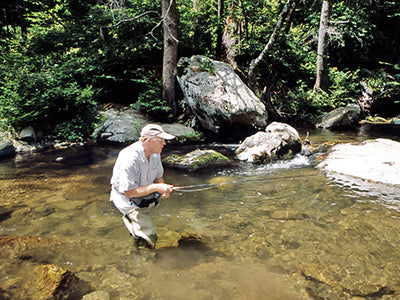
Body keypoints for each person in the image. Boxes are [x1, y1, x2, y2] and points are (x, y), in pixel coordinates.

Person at [110, 124, 175, 249]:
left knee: (139, 233)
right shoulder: (129, 157)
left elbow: (158, 177)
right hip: (126, 199)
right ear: (149, 141)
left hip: (141, 195)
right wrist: (157, 188)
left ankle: (136, 248)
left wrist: (162, 188)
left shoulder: (155, 153)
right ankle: (145, 263)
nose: (164, 144)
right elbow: (129, 192)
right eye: (161, 141)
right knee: (150, 236)